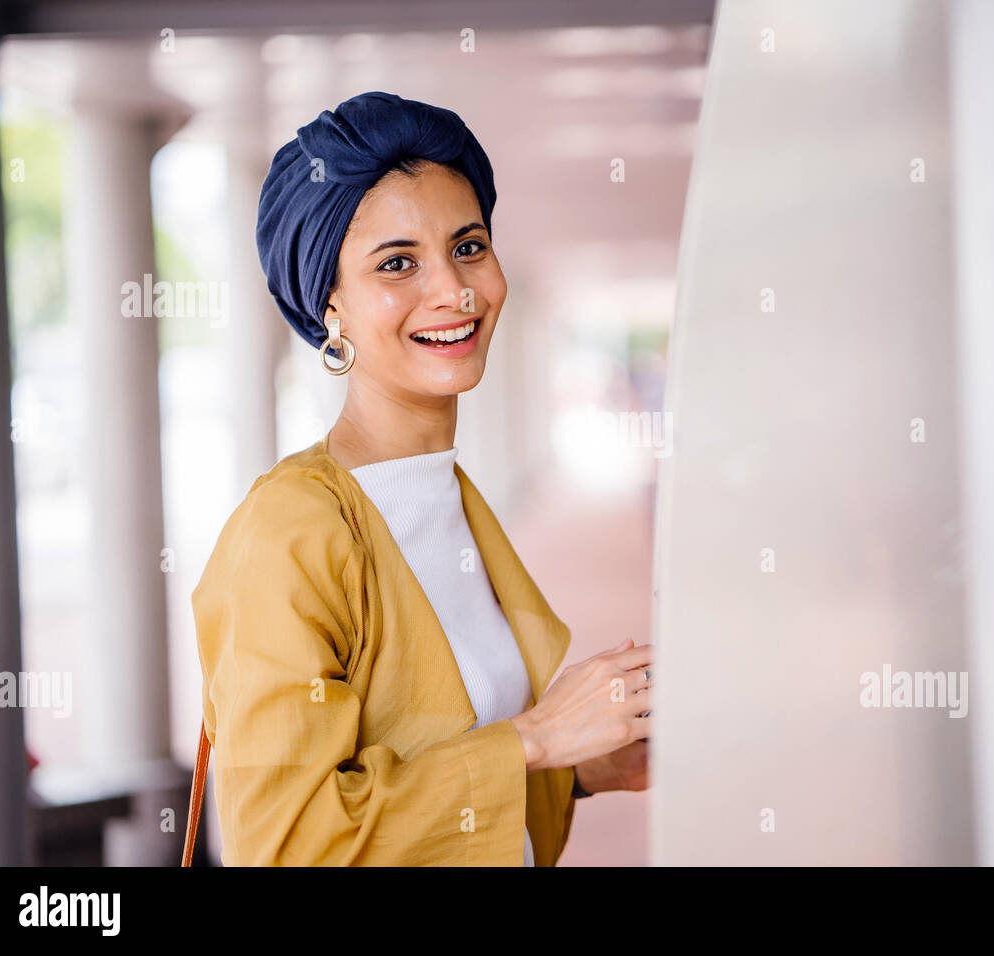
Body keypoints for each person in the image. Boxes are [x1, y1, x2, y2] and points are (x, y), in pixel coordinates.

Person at [191, 91, 652, 866]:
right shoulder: (291, 531)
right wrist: (536, 740)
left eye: (468, 246)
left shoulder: (448, 499)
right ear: (329, 305)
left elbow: (446, 755)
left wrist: (584, 769)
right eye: (397, 263)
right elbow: (287, 843)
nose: (455, 289)